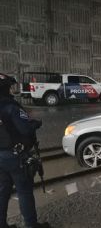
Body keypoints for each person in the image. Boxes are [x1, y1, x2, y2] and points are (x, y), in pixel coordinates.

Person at [0, 73, 43, 227]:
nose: (12, 90)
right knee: (24, 191)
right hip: (15, 156)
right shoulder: (11, 107)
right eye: (10, 87)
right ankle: (31, 225)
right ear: (4, 89)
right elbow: (25, 129)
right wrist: (35, 124)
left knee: (2, 191)